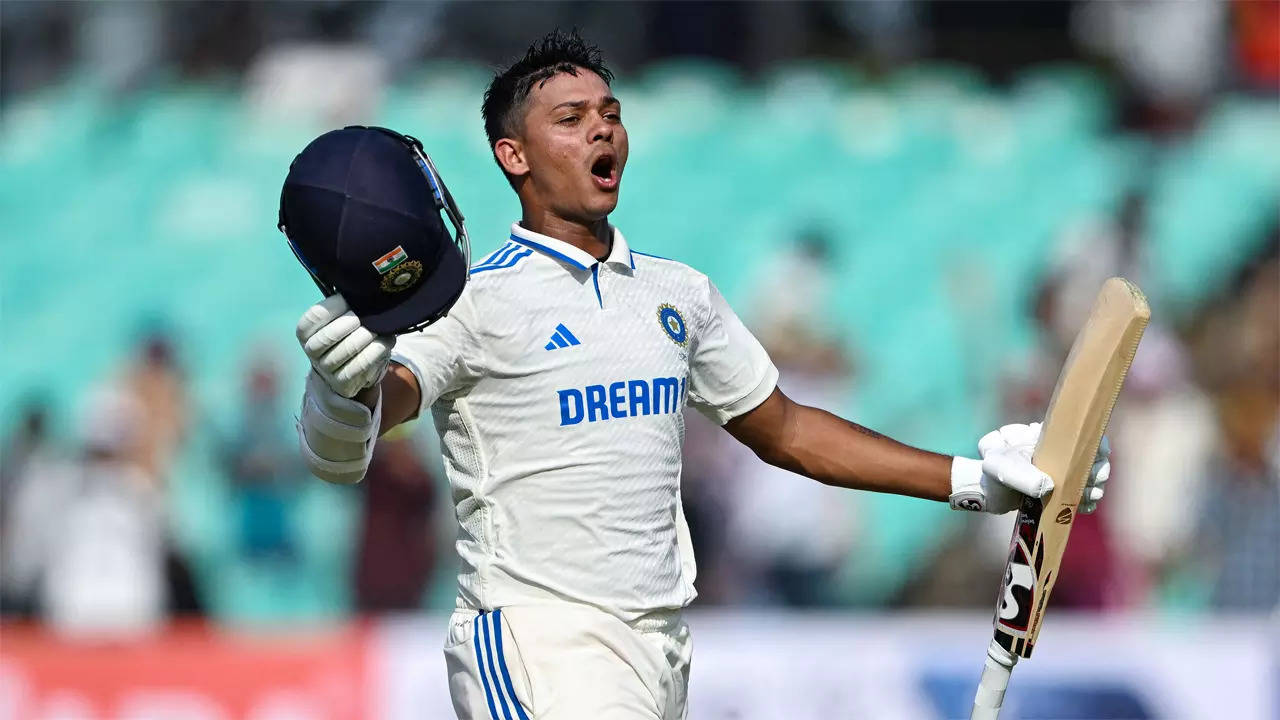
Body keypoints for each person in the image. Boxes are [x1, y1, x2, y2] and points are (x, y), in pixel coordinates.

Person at [288, 31, 1111, 720]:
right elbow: (351, 445)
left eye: (610, 114)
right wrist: (340, 389)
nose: (602, 132)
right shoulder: (476, 300)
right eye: (570, 120)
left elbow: (784, 429)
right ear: (514, 155)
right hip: (538, 643)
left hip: (661, 648)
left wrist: (976, 480)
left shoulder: (679, 294)